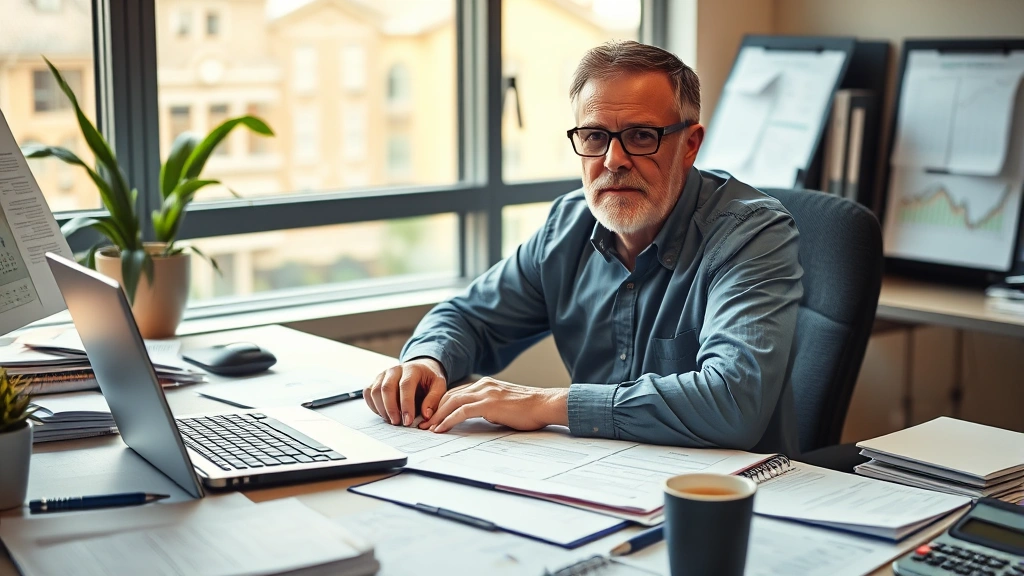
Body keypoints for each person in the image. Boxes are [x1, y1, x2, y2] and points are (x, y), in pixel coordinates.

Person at [364, 40, 804, 454]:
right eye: (595, 136)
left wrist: (548, 404)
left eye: (641, 136)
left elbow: (733, 403)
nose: (613, 160)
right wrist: (428, 361)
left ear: (689, 145)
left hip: (730, 497)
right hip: (599, 476)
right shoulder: (569, 226)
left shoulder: (751, 234)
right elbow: (468, 318)